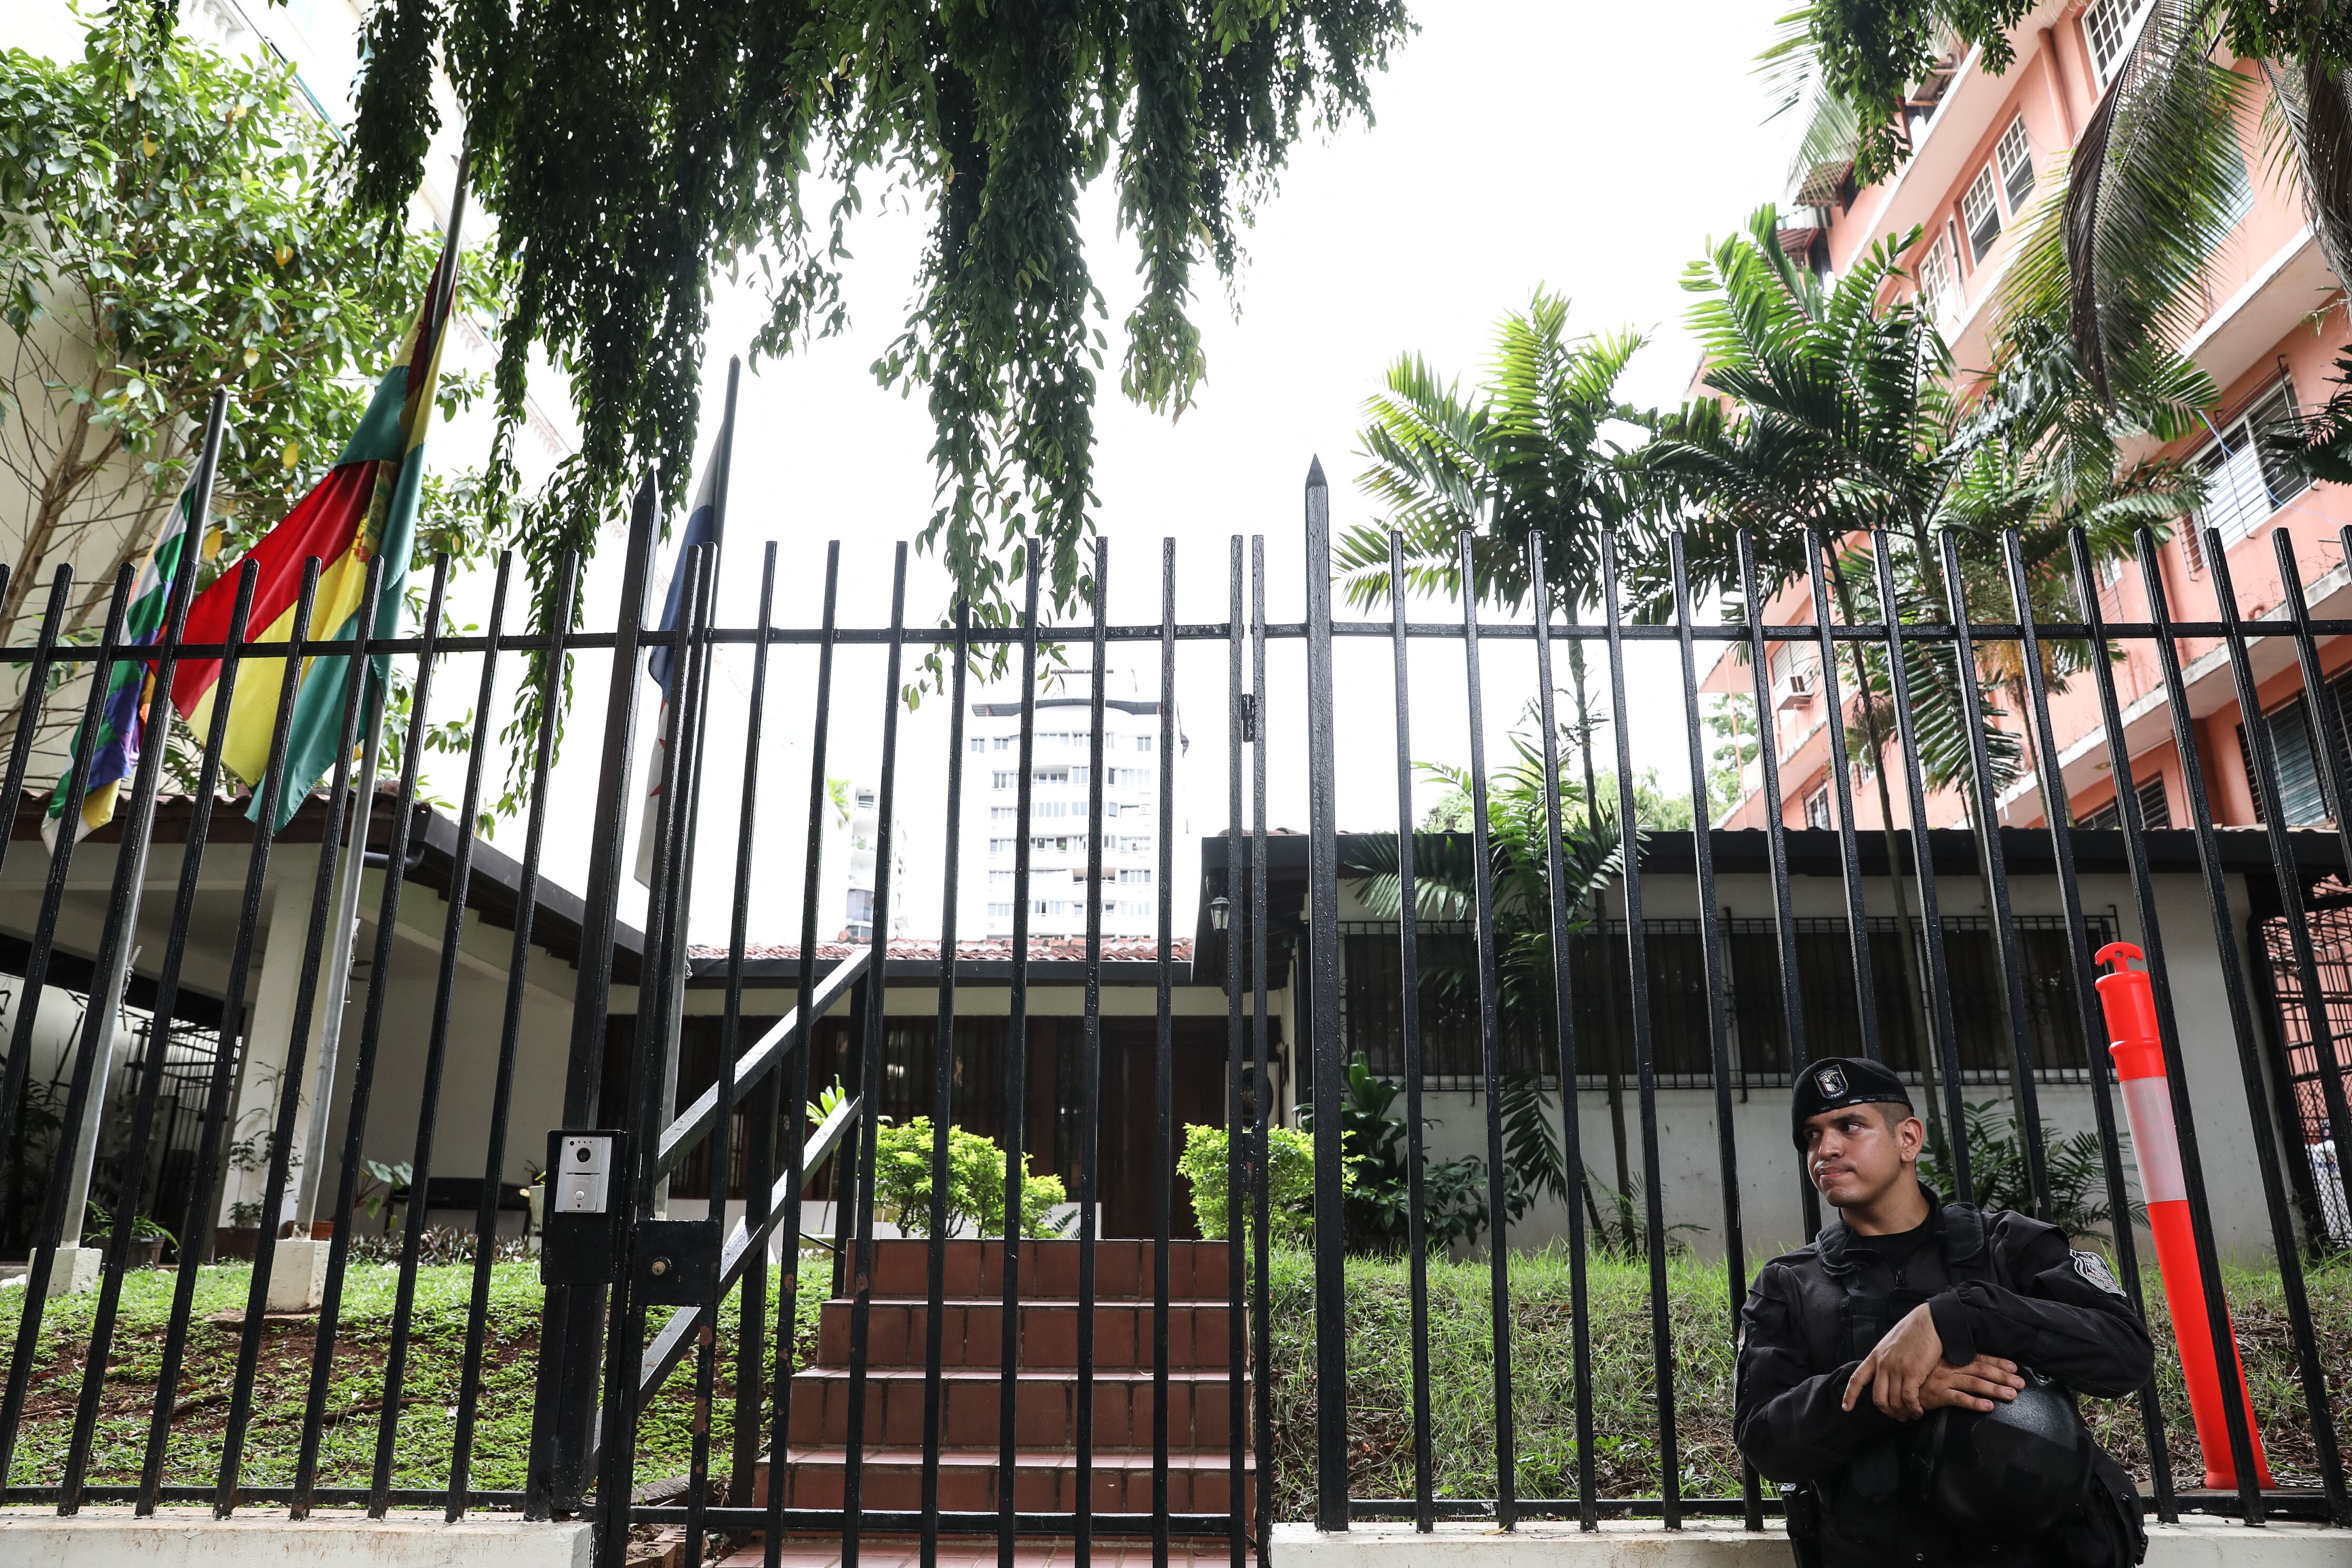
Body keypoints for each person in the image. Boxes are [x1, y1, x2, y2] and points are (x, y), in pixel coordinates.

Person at [1734, 1056, 2155, 1567]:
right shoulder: (1790, 1284)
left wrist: (1961, 1313)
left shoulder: (2011, 1245)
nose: (1827, 1148)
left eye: (1850, 1126)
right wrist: (1891, 1389)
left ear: (1908, 1138)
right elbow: (1765, 1443)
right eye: (1811, 1135)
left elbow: (2125, 1355)